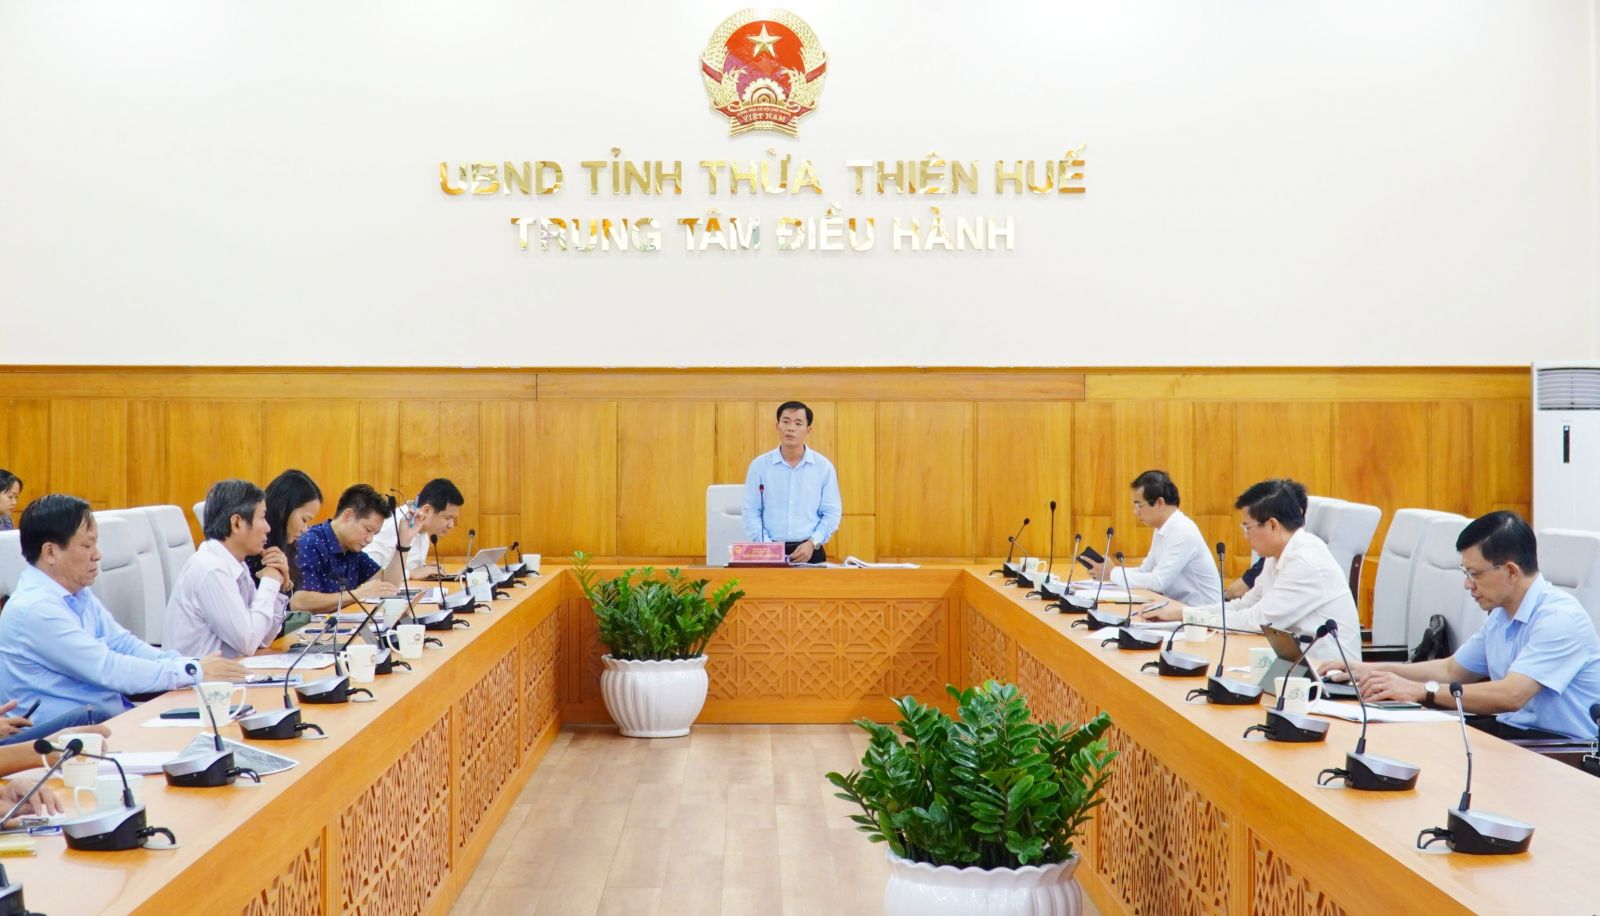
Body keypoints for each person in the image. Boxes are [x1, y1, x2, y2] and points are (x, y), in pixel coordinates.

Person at [1318, 511, 1600, 741]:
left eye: (1474, 574)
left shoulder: (1559, 619)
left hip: (1557, 750)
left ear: (1511, 571)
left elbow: (1511, 695)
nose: (1468, 584)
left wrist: (1423, 692)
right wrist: (1368, 669)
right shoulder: (1502, 613)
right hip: (1511, 736)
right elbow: (1452, 669)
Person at [0, 495, 247, 724]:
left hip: (110, 719)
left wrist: (189, 664)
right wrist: (193, 671)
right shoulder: (36, 609)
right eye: (87, 546)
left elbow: (123, 644)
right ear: (50, 552)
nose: (97, 556)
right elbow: (108, 668)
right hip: (66, 739)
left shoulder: (75, 593)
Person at [1140, 478, 1360, 664]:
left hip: (1330, 679)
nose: (1245, 536)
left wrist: (1192, 619)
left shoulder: (1306, 562)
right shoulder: (1278, 557)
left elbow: (1255, 622)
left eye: (1247, 527)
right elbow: (1243, 605)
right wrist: (1180, 614)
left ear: (1273, 525)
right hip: (1295, 666)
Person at [163, 480, 290, 659]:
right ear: (237, 523)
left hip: (227, 678)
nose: (268, 528)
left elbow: (263, 640)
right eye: (262, 518)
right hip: (199, 685)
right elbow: (249, 642)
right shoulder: (211, 569)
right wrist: (269, 583)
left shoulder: (237, 564)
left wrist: (278, 586)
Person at [1086, 470, 1221, 606]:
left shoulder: (1182, 530)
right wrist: (1110, 570)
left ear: (1160, 503)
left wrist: (1112, 573)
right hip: (1179, 611)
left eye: (1139, 505)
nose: (1135, 512)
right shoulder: (1162, 529)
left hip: (1203, 619)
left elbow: (1158, 582)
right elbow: (1146, 571)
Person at [741, 401, 842, 564]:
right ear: (777, 426)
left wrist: (812, 543)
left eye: (798, 423)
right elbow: (751, 512)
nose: (790, 428)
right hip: (768, 551)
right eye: (785, 421)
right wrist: (767, 546)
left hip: (810, 552)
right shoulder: (759, 466)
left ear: (808, 430)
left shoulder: (823, 467)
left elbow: (832, 513)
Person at [294, 483, 397, 612]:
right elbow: (299, 602)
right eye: (368, 530)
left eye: (374, 534)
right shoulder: (309, 543)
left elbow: (388, 586)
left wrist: (403, 544)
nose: (370, 539)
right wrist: (358, 594)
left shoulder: (352, 549)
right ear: (348, 516)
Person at [248, 469, 323, 613]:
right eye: (304, 519)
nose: (305, 529)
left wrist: (285, 586)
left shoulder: (286, 547)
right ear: (284, 509)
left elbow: (282, 619)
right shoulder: (252, 548)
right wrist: (270, 580)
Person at [365, 478, 464, 580]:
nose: (451, 525)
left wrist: (427, 569)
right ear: (427, 510)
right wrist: (411, 574)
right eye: (448, 518)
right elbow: (366, 574)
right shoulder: (389, 525)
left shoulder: (423, 527)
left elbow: (412, 568)